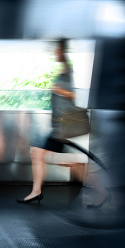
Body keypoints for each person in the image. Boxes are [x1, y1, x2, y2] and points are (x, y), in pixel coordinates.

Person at [17, 39, 110, 208]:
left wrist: (60, 91)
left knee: (38, 154)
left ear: (62, 51)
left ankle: (37, 191)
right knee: (43, 155)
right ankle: (98, 189)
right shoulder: (64, 70)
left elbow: (75, 96)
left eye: (56, 50)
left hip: (62, 127)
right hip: (58, 127)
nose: (54, 53)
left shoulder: (67, 71)